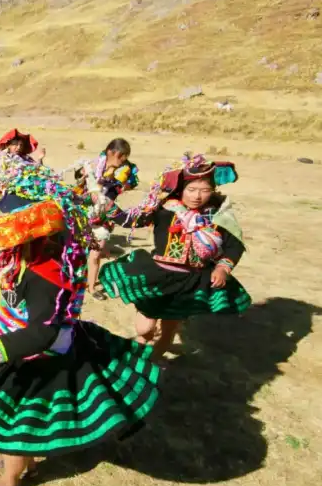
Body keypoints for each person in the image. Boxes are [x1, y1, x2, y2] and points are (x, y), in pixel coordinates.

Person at [0, 156, 161, 486]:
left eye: (3, 223)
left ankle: (10, 480)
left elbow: (42, 332)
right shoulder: (12, 253)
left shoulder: (46, 270)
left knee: (17, 426)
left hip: (34, 356)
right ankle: (24, 463)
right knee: (16, 424)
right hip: (7, 337)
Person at [98, 154, 250, 359]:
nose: (197, 196)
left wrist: (223, 267)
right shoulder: (164, 209)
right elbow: (130, 220)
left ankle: (154, 360)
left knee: (170, 327)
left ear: (213, 191)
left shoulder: (218, 217)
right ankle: (140, 347)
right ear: (181, 189)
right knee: (145, 329)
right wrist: (107, 205)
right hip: (158, 275)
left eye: (205, 191)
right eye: (192, 190)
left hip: (191, 280)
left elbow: (234, 246)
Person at [80, 138, 140, 300]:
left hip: (105, 214)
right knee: (79, 250)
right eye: (121, 157)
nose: (123, 161)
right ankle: (79, 279)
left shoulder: (125, 171)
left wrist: (121, 183)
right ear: (111, 153)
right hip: (84, 212)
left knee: (95, 253)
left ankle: (91, 287)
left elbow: (129, 184)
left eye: (125, 158)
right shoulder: (93, 165)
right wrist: (85, 175)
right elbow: (80, 182)